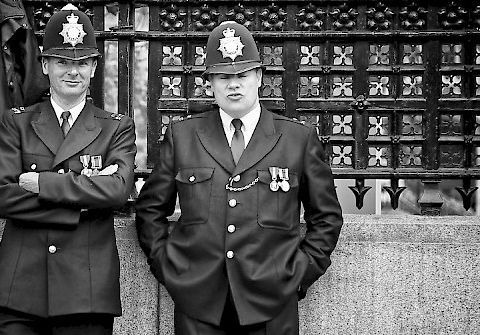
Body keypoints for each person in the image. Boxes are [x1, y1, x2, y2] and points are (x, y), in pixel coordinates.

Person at [135, 21, 343, 334]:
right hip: (199, 303)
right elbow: (150, 210)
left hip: (271, 303)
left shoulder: (297, 140)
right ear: (210, 83)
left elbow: (326, 218)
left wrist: (299, 275)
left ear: (259, 76)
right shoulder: (183, 137)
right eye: (223, 76)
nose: (234, 85)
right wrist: (169, 269)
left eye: (242, 75)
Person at [0, 4, 137, 335]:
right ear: (45, 64)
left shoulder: (117, 129)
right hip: (20, 289)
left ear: (94, 67)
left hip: (86, 290)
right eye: (63, 62)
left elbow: (118, 191)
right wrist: (83, 198)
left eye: (82, 62)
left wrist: (41, 183)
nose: (73, 71)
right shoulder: (17, 122)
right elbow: (4, 198)